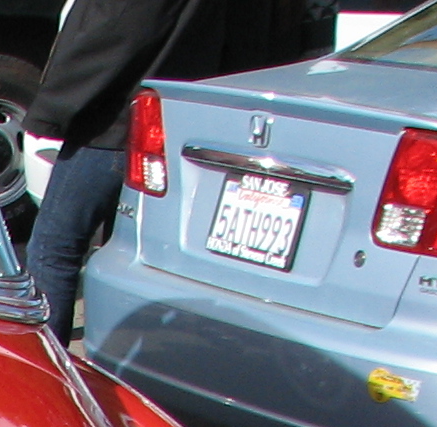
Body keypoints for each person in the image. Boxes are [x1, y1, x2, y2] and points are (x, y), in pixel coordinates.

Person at [24, 0, 307, 343]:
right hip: (188, 113)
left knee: (55, 246)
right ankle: (112, 366)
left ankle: (46, 370)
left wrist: (56, 106)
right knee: (131, 256)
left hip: (117, 119)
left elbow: (115, 30)